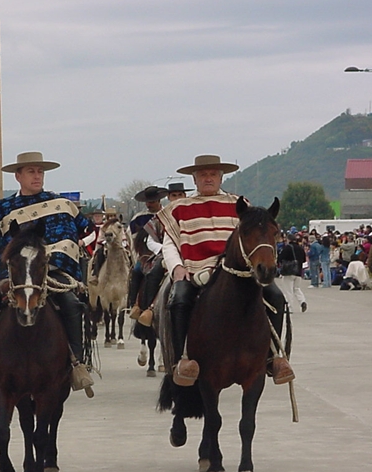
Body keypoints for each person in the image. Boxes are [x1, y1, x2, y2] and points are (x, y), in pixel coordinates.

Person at [156, 154, 294, 386]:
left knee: (276, 297)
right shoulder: (178, 208)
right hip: (195, 270)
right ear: (195, 178)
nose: (208, 179)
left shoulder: (239, 204)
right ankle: (181, 360)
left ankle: (272, 357)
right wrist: (177, 268)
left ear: (221, 177)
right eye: (203, 175)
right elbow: (170, 243)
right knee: (179, 299)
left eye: (212, 174)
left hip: (236, 271)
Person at [0, 151, 95, 394]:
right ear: (18, 176)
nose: (37, 176)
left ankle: (77, 364)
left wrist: (74, 245)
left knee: (70, 304)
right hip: (13, 273)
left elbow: (88, 230)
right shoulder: (4, 208)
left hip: (52, 271)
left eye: (40, 171)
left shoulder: (61, 204)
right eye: (31, 171)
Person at [130, 182, 191, 326]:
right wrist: (166, 251)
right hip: (164, 254)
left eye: (180, 195)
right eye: (174, 195)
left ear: (185, 196)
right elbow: (149, 241)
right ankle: (146, 308)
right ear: (169, 197)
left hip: (191, 254)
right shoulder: (159, 218)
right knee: (147, 272)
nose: (177, 198)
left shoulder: (191, 213)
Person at [126, 186, 168, 321]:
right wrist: (136, 259)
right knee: (137, 271)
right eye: (148, 202)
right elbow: (133, 240)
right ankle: (134, 304)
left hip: (165, 252)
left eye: (152, 201)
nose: (149, 204)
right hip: (144, 254)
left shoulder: (167, 214)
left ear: (159, 200)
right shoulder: (138, 218)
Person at [278, 233, 307, 313]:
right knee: (296, 288)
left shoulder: (287, 248)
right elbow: (304, 260)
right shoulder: (300, 248)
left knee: (288, 290)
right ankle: (302, 301)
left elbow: (280, 258)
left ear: (288, 240)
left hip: (289, 271)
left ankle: (289, 308)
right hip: (298, 271)